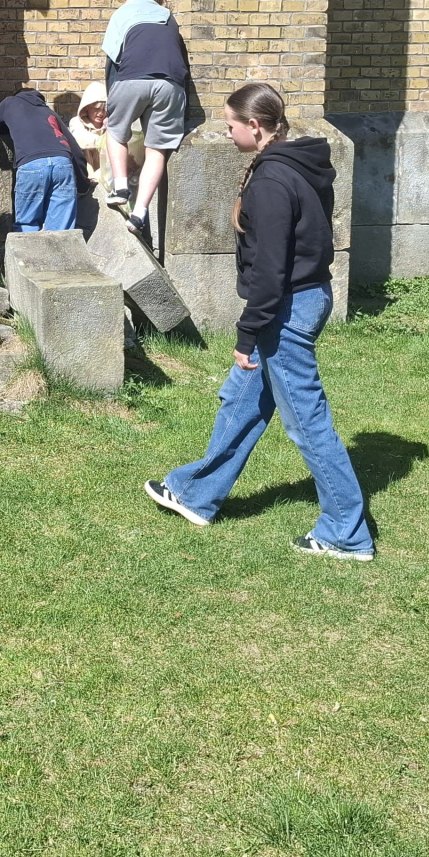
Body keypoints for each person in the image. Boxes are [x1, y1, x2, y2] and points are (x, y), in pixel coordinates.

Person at [142, 82, 373, 562]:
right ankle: (195, 493)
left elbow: (271, 270)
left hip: (286, 310)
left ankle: (346, 532)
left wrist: (248, 333)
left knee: (307, 422)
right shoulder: (298, 162)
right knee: (242, 400)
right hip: (303, 300)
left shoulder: (272, 181)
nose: (227, 133)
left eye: (231, 125)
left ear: (254, 125)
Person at [102, 0, 191, 242]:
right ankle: (139, 213)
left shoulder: (124, 11)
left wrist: (112, 103)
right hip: (171, 85)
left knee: (115, 131)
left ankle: (120, 188)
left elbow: (112, 59)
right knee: (157, 148)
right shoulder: (169, 18)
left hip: (132, 78)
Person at [0, 88, 88, 233]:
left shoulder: (10, 102)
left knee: (27, 225)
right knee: (62, 231)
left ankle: (26, 248)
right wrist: (84, 184)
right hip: (62, 163)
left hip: (32, 164)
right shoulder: (49, 112)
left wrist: (11, 125)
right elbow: (76, 150)